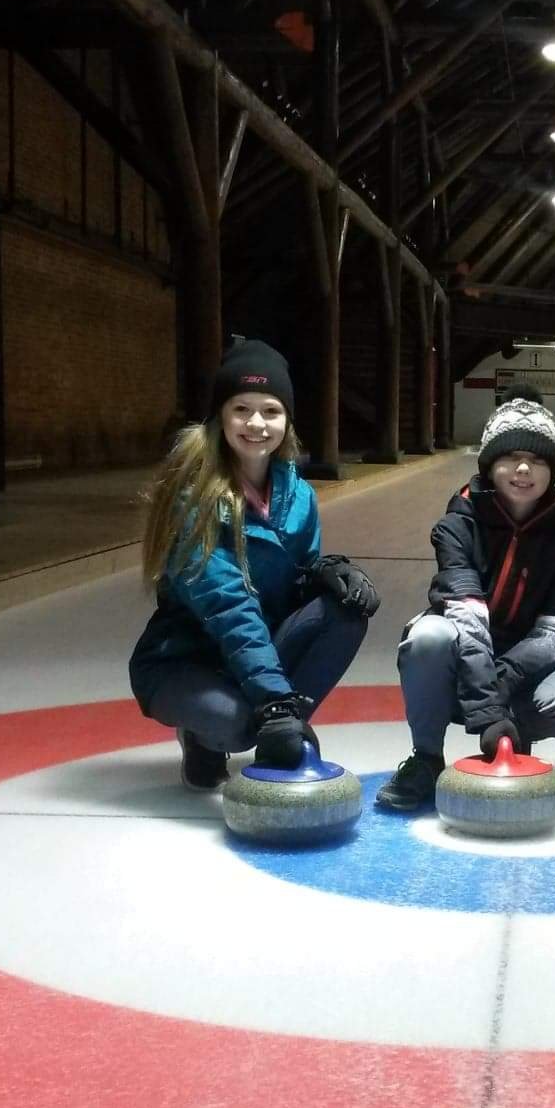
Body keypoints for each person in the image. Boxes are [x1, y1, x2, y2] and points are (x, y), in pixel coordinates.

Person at [130, 337, 379, 790]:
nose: (256, 424)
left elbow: (290, 590)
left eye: (270, 410)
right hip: (185, 660)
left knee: (345, 612)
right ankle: (207, 735)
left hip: (254, 653)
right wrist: (274, 705)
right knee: (238, 725)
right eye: (242, 409)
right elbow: (230, 607)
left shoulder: (298, 496)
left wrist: (321, 576)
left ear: (286, 420)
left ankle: (280, 726)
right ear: (220, 416)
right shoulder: (192, 497)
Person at [375, 386, 555, 811]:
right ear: (488, 465)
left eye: (537, 460)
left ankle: (510, 738)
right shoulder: (457, 525)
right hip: (460, 661)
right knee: (428, 637)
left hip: (518, 672)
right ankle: (425, 758)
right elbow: (467, 615)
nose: (523, 469)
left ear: (552, 469)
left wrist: (503, 682)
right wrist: (485, 708)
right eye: (509, 458)